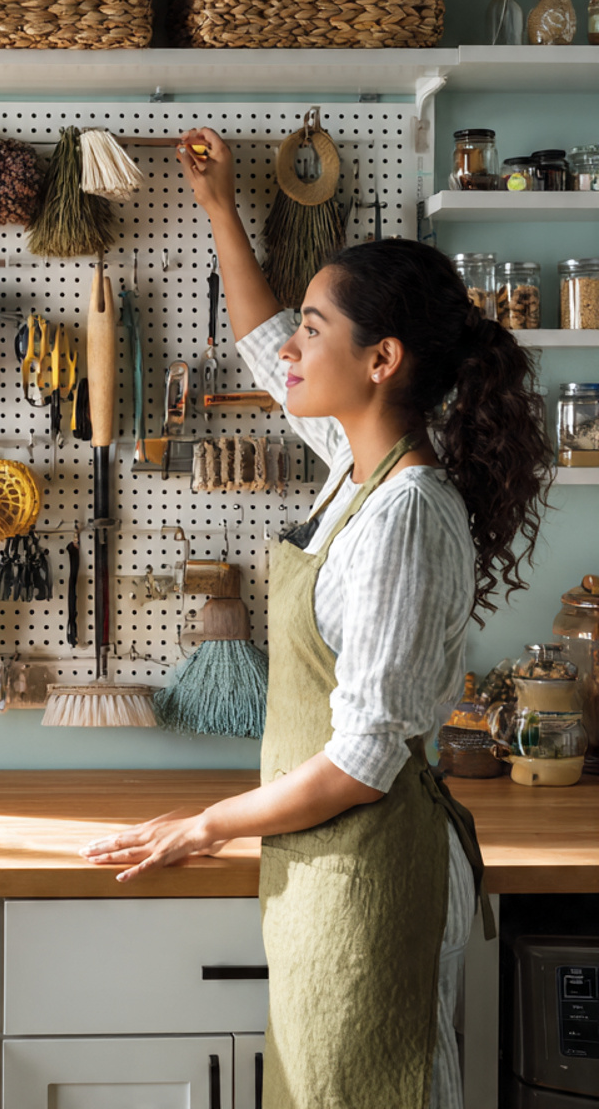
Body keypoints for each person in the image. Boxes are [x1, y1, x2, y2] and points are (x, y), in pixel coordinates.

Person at [80, 127, 554, 1109]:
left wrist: (203, 824)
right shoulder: (355, 463)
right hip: (318, 865)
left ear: (379, 358)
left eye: (313, 328)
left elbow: (359, 762)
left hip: (372, 875)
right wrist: (216, 207)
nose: (288, 349)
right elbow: (262, 346)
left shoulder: (407, 514)